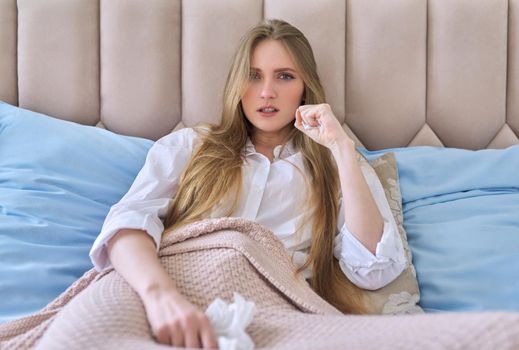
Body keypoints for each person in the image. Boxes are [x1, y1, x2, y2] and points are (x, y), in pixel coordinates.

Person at [89, 19, 406, 349]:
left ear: (305, 88)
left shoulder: (339, 163)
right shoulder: (188, 147)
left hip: (271, 310)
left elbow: (374, 269)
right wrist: (160, 297)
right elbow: (127, 225)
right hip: (160, 291)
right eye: (253, 76)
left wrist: (342, 149)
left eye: (285, 76)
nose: (267, 91)